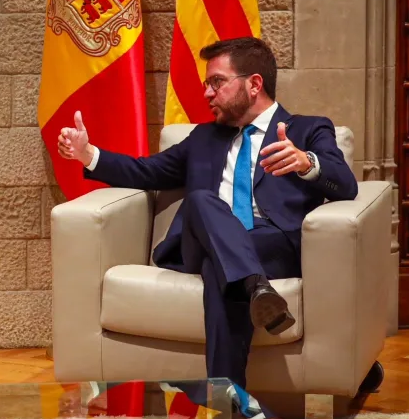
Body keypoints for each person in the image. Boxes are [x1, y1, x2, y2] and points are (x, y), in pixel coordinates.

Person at [57, 36, 358, 390]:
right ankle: (256, 288)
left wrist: (308, 163)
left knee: (221, 270)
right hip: (201, 241)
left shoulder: (308, 129)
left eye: (217, 82)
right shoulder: (203, 138)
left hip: (271, 246)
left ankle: (226, 398)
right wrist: (88, 154)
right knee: (201, 200)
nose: (207, 94)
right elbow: (145, 171)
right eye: (206, 85)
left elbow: (346, 185)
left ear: (254, 84)